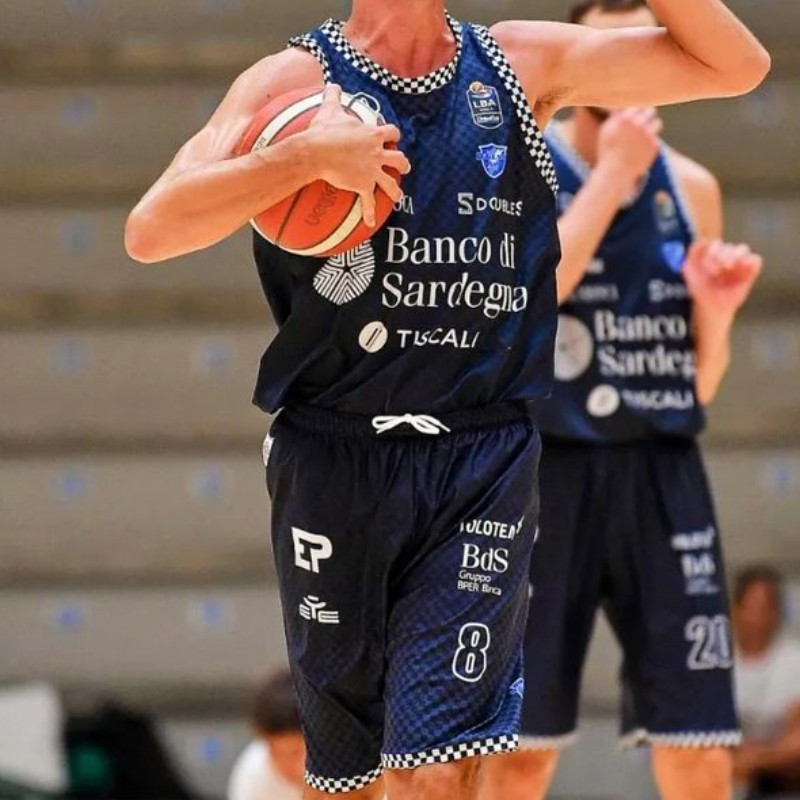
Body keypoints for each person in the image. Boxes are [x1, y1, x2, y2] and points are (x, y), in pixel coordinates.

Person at [124, 0, 769, 797]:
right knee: (348, 780)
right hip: (335, 452)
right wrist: (299, 160)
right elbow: (150, 230)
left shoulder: (517, 62)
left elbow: (736, 65)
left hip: (480, 457)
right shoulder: (295, 79)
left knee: (439, 769)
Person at [480, 2, 765, 799]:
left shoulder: (692, 187)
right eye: (614, 49)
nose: (634, 64)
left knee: (699, 748)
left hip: (662, 472)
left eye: (650, 44)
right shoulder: (525, 163)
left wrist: (716, 310)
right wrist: (611, 175)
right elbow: (531, 298)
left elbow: (699, 383)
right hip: (547, 470)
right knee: (520, 748)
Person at [732, 566, 800, 797]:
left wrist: (755, 759)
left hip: (782, 773)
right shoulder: (717, 663)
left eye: (767, 607)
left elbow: (796, 738)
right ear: (736, 610)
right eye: (753, 607)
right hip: (729, 767)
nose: (760, 617)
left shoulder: (794, 660)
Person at [228, 671, 306, 800]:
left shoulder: (339, 766)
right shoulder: (253, 775)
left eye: (300, 751)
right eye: (283, 754)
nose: (299, 767)